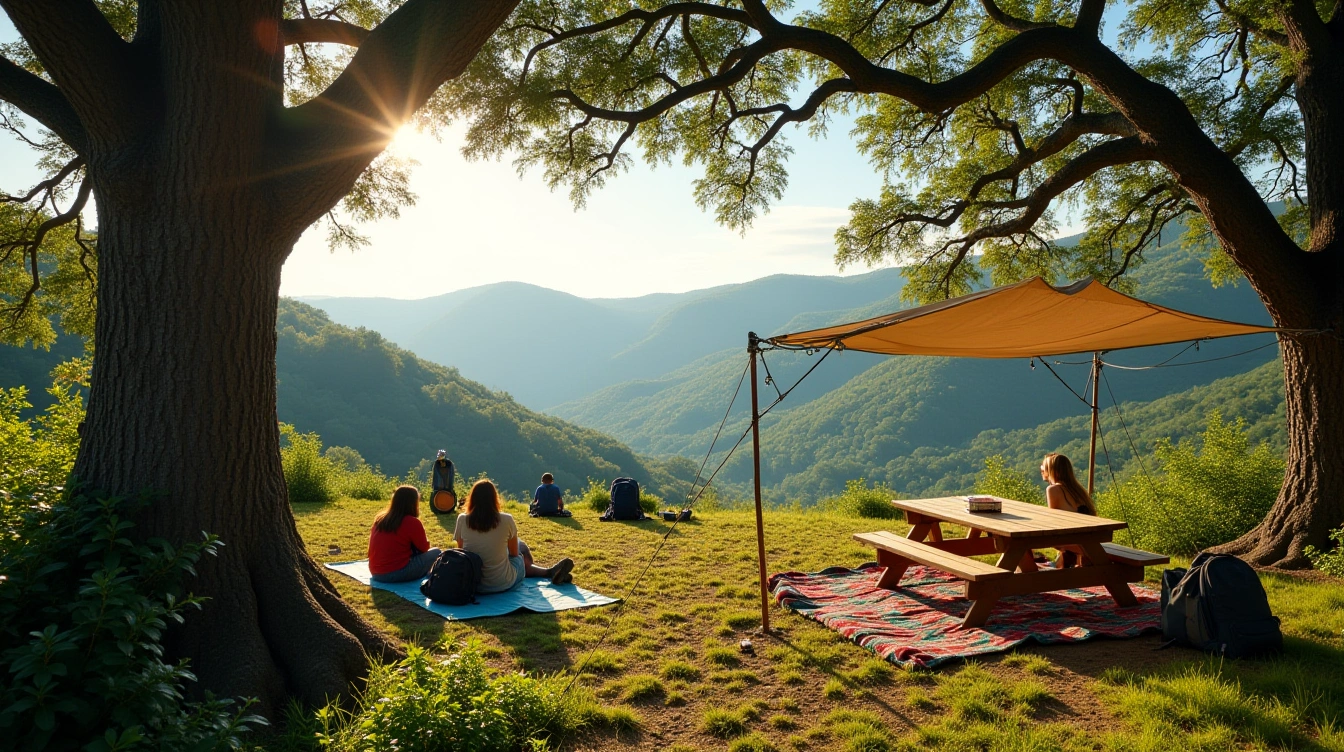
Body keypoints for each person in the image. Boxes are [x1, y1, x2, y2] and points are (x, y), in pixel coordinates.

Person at [455, 479, 575, 592]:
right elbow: (514, 553)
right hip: (502, 584)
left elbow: (461, 551)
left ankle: (549, 572)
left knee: (513, 552)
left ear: (472, 498)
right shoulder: (506, 519)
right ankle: (548, 572)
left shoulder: (462, 519)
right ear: (494, 499)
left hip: (472, 583)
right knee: (520, 552)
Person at [368, 485, 442, 583]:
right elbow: (424, 548)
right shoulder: (412, 522)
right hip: (395, 573)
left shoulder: (380, 519)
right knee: (436, 552)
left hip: (375, 572)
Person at [1039, 453, 1096, 568]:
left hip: (1077, 539)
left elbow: (1054, 521)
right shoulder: (1077, 489)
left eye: (1044, 467)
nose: (1041, 469)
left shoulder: (1053, 489)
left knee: (1051, 540)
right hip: (1090, 537)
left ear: (1053, 471)